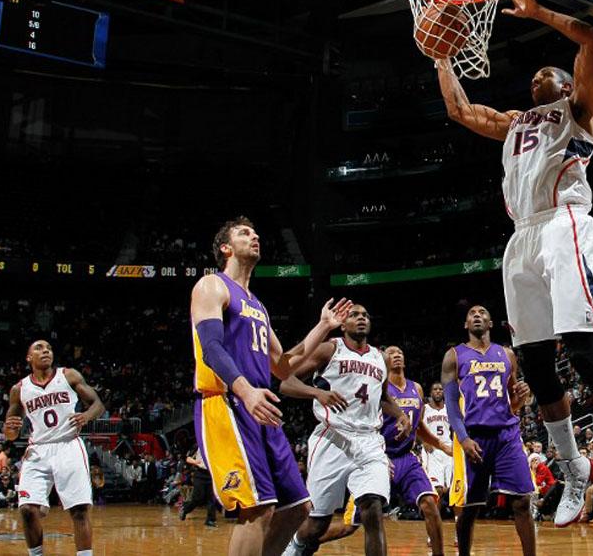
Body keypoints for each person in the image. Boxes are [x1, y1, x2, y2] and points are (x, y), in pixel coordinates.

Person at [435, 0, 593, 530]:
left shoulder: (578, 111)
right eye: (533, 76)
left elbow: (591, 38)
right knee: (533, 361)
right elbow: (459, 110)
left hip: (565, 225)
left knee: (581, 347)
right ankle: (573, 464)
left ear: (565, 85)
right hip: (521, 239)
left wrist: (537, 13)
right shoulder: (513, 123)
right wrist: (440, 54)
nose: (538, 77)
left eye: (548, 73)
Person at [190, 216, 353, 556]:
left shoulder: (258, 307)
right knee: (256, 508)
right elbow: (211, 348)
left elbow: (284, 365)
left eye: (256, 232)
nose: (255, 236)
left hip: (260, 407)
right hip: (228, 403)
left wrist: (323, 327)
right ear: (225, 247)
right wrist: (245, 390)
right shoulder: (212, 286)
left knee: (297, 509)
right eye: (244, 233)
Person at [291, 345, 450, 556]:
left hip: (405, 458)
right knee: (350, 526)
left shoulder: (417, 389)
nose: (396, 355)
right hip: (378, 456)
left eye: (400, 352)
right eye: (391, 353)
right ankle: (307, 541)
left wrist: (441, 445)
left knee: (430, 503)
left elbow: (418, 425)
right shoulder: (374, 387)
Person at [280, 305, 411, 556]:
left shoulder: (379, 358)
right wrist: (317, 392)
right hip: (332, 437)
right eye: (354, 315)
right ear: (343, 324)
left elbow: (381, 397)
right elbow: (286, 382)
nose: (361, 318)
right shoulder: (330, 348)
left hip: (370, 441)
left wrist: (400, 414)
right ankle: (297, 544)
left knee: (372, 509)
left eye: (365, 315)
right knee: (318, 523)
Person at [442, 305, 539, 556]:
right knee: (470, 508)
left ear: (490, 322)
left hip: (507, 435)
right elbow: (451, 404)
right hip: (475, 437)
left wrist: (521, 398)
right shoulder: (454, 355)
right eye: (472, 313)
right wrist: (463, 439)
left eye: (482, 312)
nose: (477, 315)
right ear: (466, 325)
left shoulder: (506, 354)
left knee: (522, 501)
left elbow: (514, 402)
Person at [4, 339, 105, 556]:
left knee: (79, 510)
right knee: (27, 509)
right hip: (38, 449)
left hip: (68, 445)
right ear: (29, 358)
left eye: (48, 348)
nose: (45, 351)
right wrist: (10, 429)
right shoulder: (19, 389)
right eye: (39, 348)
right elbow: (10, 434)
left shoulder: (68, 375)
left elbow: (98, 404)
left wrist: (86, 416)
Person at [421, 381, 454, 512]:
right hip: (432, 450)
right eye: (435, 389)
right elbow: (417, 427)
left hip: (448, 448)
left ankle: (457, 521)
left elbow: (455, 428)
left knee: (452, 487)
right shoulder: (425, 408)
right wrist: (424, 441)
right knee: (437, 489)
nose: (438, 391)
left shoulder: (449, 408)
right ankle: (436, 519)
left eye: (440, 389)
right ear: (430, 393)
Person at [180, 447, 218, 527]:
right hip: (200, 474)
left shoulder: (213, 443)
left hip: (211, 474)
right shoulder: (197, 445)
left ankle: (210, 520)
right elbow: (187, 458)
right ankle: (185, 509)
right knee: (198, 497)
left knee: (211, 498)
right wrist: (195, 462)